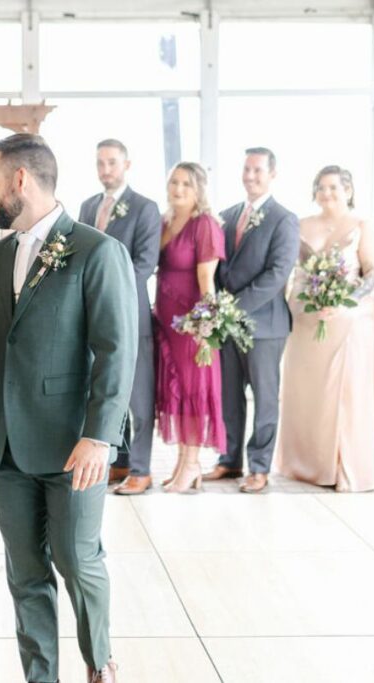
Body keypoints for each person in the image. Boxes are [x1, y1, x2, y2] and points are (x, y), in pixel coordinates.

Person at [0, 134, 138, 683]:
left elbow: (117, 352)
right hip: (4, 444)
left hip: (73, 443)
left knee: (77, 560)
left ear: (21, 182)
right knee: (24, 572)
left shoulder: (98, 252)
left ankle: (99, 663)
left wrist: (100, 437)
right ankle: (41, 676)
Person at [275, 166, 374, 492]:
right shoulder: (301, 225)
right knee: (306, 391)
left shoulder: (362, 226)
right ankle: (305, 462)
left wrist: (342, 302)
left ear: (349, 191)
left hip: (348, 320)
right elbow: (290, 269)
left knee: (343, 393)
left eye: (334, 188)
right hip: (306, 319)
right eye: (321, 188)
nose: (327, 194)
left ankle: (342, 466)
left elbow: (373, 273)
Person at [210, 147, 299, 494]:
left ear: (272, 174)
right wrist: (218, 306)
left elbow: (278, 273)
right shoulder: (227, 215)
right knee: (229, 396)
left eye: (258, 170)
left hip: (265, 326)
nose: (250, 176)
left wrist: (234, 308)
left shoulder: (284, 218)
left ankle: (259, 467)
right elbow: (216, 265)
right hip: (228, 326)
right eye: (246, 169)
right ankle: (228, 460)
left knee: (264, 398)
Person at [78, 139, 161, 495]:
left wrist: (107, 292)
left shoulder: (146, 208)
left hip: (131, 314)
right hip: (89, 315)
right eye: (100, 163)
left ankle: (142, 469)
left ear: (127, 165)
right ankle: (120, 461)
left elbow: (145, 263)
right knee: (106, 389)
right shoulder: (87, 206)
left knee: (138, 396)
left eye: (111, 162)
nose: (105, 169)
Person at [153, 162, 226, 493]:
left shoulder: (205, 224)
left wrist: (205, 325)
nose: (178, 189)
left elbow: (206, 279)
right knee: (177, 391)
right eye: (173, 182)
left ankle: (193, 463)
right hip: (166, 320)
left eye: (185, 184)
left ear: (198, 189)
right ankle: (183, 462)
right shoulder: (165, 221)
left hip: (191, 323)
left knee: (193, 391)